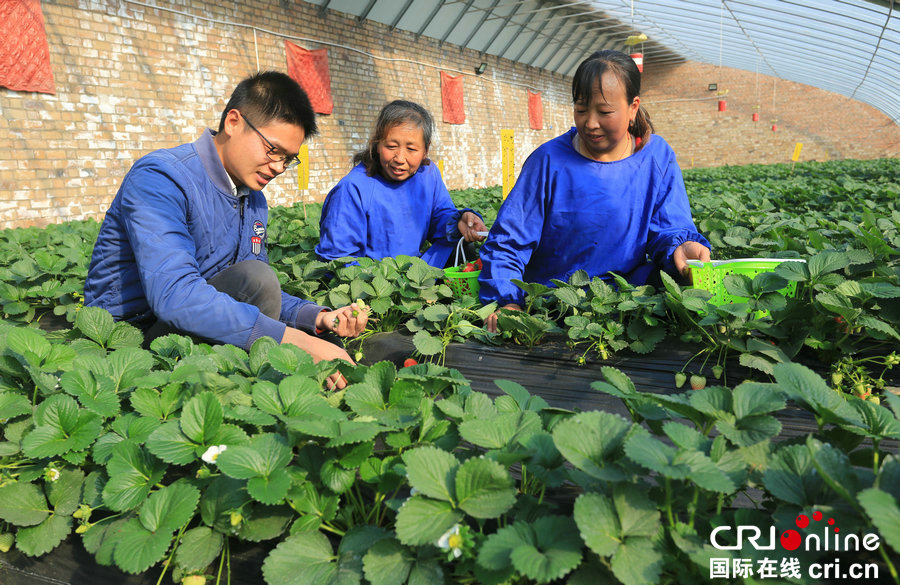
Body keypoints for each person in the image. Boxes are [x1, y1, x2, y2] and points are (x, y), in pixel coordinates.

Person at [84, 71, 364, 389]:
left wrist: (315, 317)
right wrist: (298, 343)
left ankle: (246, 393)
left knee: (258, 278)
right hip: (127, 343)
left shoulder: (253, 199)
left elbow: (252, 289)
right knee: (261, 285)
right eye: (273, 150)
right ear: (233, 122)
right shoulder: (161, 177)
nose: (277, 167)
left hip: (189, 327)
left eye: (288, 159)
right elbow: (176, 295)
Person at [480, 50, 711, 332]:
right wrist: (508, 300)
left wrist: (680, 246)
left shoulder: (656, 157)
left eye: (604, 112)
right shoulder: (549, 160)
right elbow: (508, 241)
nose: (590, 123)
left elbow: (668, 226)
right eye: (581, 109)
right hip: (552, 305)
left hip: (627, 302)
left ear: (633, 107)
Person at [314, 100, 488, 268]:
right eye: (391, 146)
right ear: (377, 144)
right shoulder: (353, 188)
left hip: (416, 276)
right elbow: (338, 257)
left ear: (425, 150)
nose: (399, 159)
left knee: (464, 247)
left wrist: (458, 223)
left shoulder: (428, 174)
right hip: (373, 280)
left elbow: (439, 216)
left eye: (411, 149)